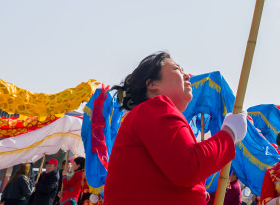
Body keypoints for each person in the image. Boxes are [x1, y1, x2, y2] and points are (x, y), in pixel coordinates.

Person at [104, 52, 245, 204]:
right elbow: (188, 167)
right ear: (152, 84)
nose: (187, 76)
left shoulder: (149, 114)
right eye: (177, 69)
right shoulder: (154, 107)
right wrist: (229, 134)